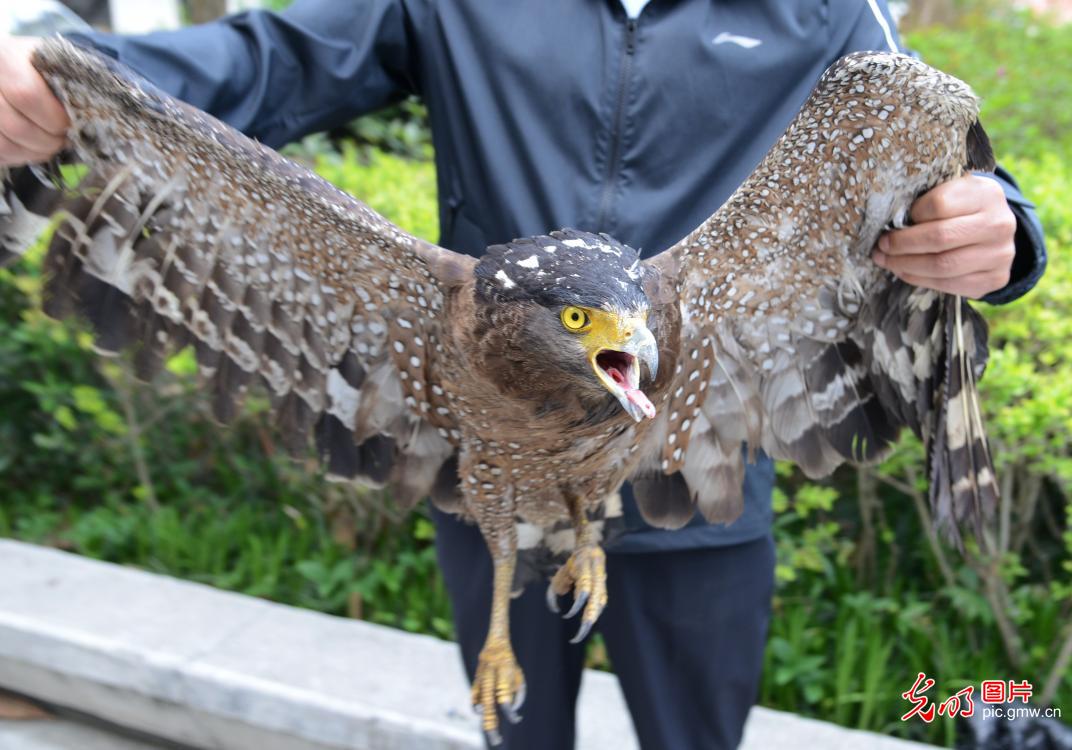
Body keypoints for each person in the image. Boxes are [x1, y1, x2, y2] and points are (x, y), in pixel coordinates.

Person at [0, 1, 1046, 748]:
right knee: (512, 730)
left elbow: (928, 164)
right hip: (490, 452)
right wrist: (65, 75)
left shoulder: (818, 9)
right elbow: (266, 59)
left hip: (697, 468)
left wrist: (1003, 230)